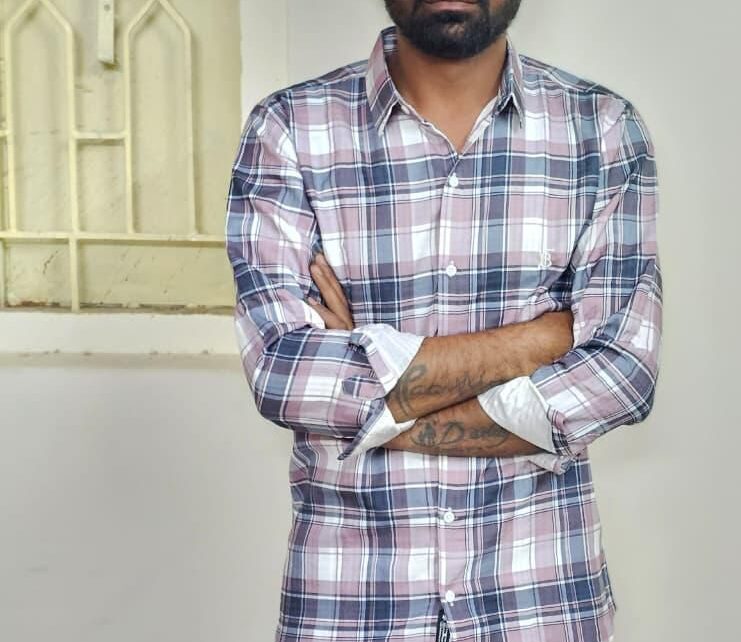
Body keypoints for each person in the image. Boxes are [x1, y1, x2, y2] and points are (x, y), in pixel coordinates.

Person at [225, 1, 662, 640]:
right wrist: (541, 339)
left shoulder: (601, 129)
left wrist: (371, 393)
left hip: (539, 598)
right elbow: (285, 373)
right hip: (351, 605)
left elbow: (622, 374)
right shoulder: (289, 128)